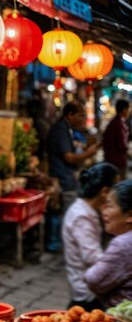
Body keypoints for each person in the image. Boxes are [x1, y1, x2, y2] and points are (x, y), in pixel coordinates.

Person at [62, 163, 120, 311]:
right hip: (87, 294)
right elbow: (92, 257)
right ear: (105, 191)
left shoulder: (87, 210)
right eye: (116, 189)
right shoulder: (81, 216)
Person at [45, 102, 99, 252]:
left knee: (62, 211)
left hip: (66, 175)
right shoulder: (61, 130)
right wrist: (90, 153)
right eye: (80, 115)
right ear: (70, 115)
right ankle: (57, 243)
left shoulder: (68, 130)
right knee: (63, 212)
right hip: (62, 175)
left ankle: (59, 243)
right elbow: (69, 157)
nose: (83, 119)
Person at [84, 179, 132, 308]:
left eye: (110, 206)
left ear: (129, 215)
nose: (104, 212)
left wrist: (98, 264)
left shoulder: (123, 244)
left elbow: (94, 280)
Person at [102, 99, 130, 179]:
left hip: (111, 160)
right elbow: (122, 146)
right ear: (124, 110)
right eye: (128, 109)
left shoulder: (114, 122)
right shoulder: (119, 124)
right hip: (118, 162)